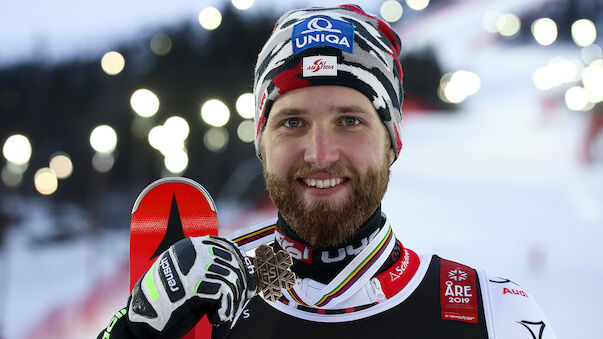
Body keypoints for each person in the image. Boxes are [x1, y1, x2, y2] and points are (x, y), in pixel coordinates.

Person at [98, 5, 557, 339]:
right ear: (262, 142)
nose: (320, 154)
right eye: (292, 122)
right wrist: (135, 331)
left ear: (392, 140)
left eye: (350, 120)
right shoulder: (200, 307)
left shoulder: (493, 317)